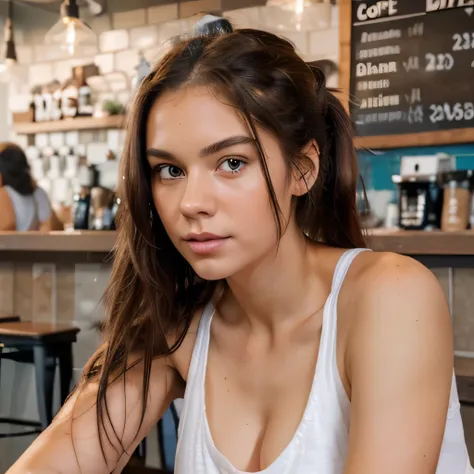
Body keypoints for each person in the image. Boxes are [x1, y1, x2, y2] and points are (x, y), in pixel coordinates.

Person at [7, 17, 473, 474]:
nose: (191, 203)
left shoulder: (388, 298)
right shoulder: (182, 329)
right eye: (169, 170)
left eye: (231, 162)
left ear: (303, 169)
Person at [0, 142, 63, 231]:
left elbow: (5, 232)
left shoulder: (3, 195)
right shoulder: (39, 193)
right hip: (38, 244)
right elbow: (52, 228)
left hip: (12, 244)